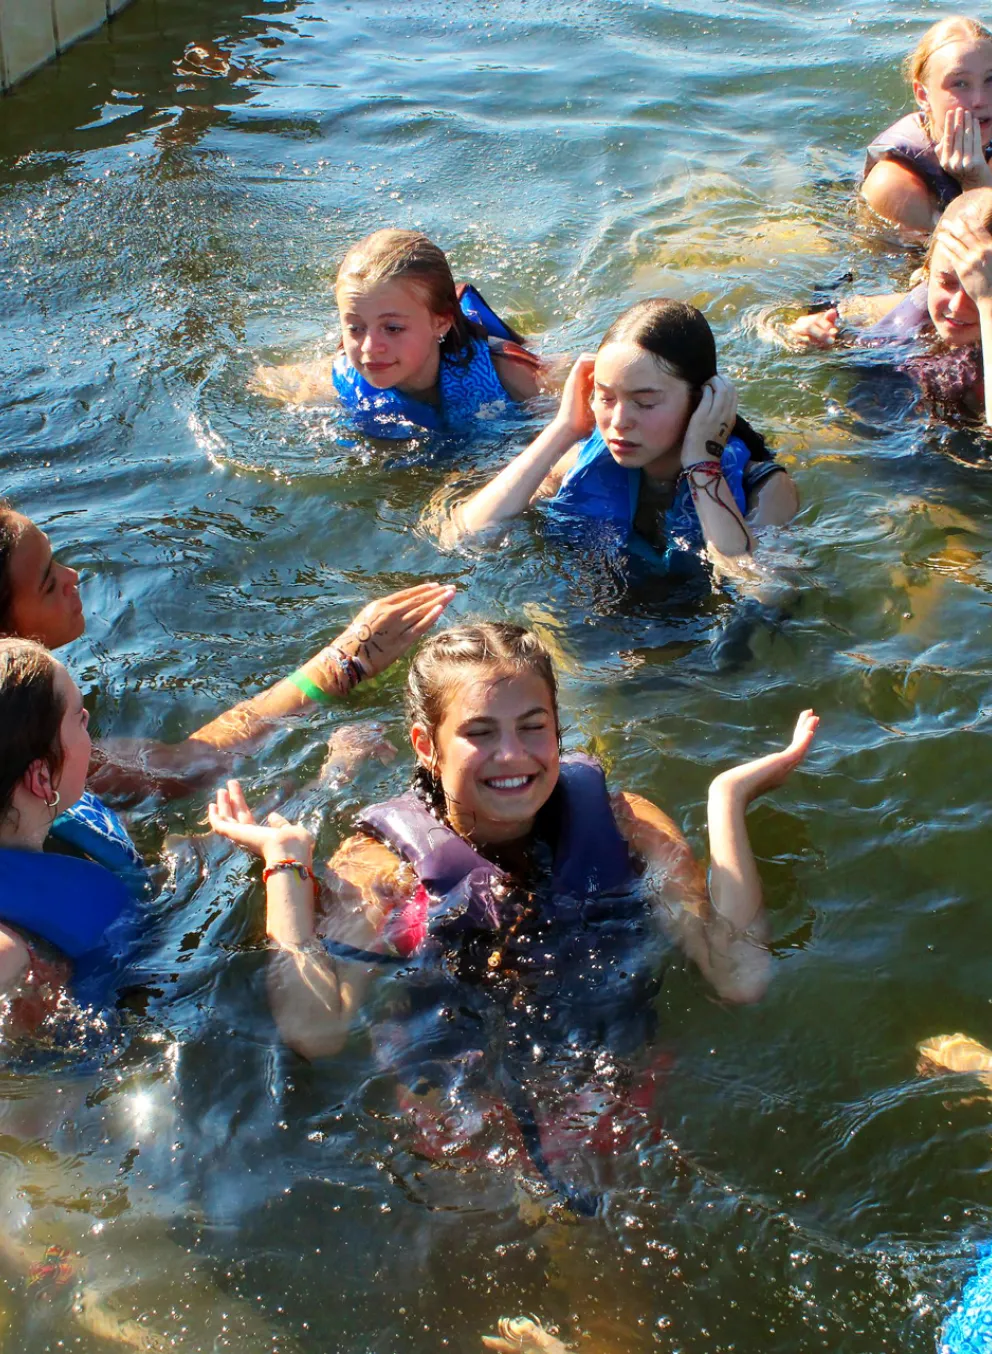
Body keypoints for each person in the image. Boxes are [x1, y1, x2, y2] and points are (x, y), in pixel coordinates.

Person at [209, 622, 817, 1209]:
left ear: (558, 730)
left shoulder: (626, 823)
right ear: (427, 746)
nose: (512, 755)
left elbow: (739, 974)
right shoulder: (384, 864)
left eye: (533, 727)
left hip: (610, 1096)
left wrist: (726, 800)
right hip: (457, 1119)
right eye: (479, 732)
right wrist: (285, 866)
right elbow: (317, 1030)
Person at [0, 500, 454, 879]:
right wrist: (340, 670)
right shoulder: (39, 741)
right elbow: (188, 766)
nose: (72, 575)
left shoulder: (38, 756)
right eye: (46, 582)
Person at [441, 299, 798, 564]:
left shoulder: (766, 488)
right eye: (606, 397)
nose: (619, 420)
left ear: (700, 400)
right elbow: (465, 538)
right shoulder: (577, 461)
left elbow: (756, 587)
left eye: (645, 403)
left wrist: (702, 464)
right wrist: (562, 429)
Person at [253, 228, 543, 438]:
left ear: (441, 322)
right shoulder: (335, 379)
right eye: (355, 327)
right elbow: (264, 382)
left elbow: (573, 417)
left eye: (393, 328)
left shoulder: (508, 372)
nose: (369, 346)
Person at [787, 187, 992, 425]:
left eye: (978, 289)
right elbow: (793, 322)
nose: (957, 305)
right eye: (946, 282)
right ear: (927, 270)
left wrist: (988, 304)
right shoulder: (913, 304)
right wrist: (806, 333)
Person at [862, 17, 992, 237]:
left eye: (991, 79)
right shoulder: (894, 185)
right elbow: (959, 264)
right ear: (923, 95)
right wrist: (976, 183)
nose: (980, 99)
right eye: (960, 83)